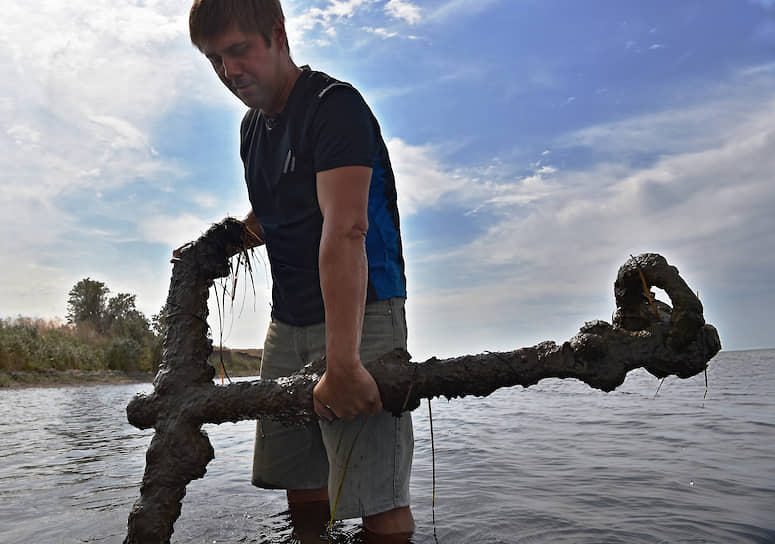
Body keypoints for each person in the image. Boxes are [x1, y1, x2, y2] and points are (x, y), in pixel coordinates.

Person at [188, 0, 414, 540]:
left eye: (238, 50)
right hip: (286, 323)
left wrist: (343, 364)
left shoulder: (334, 107)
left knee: (376, 503)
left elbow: (345, 230)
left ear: (277, 33)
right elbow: (275, 212)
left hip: (363, 314)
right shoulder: (252, 130)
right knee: (303, 488)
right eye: (214, 59)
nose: (229, 71)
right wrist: (221, 242)